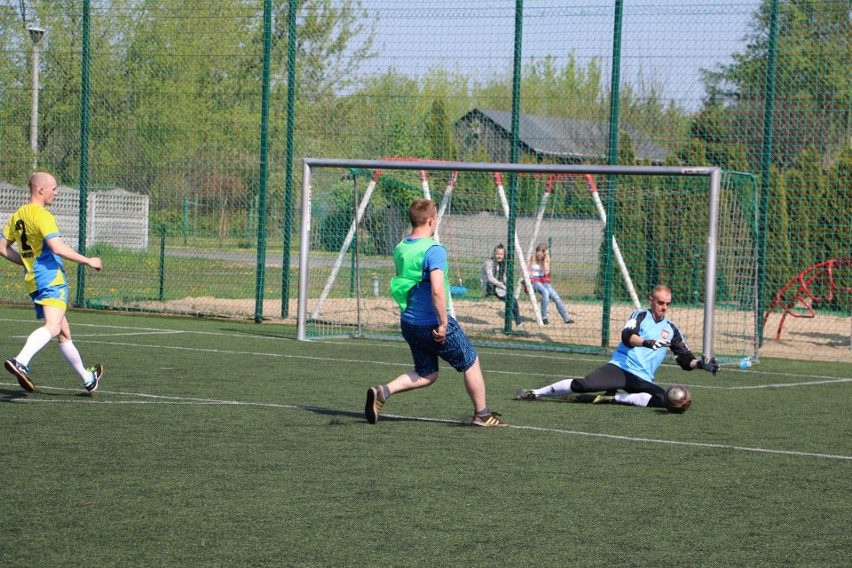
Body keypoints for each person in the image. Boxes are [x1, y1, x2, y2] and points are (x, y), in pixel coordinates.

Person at [365, 199, 507, 427]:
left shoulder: (400, 247)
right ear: (431, 220)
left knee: (427, 373)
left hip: (409, 322)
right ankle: (482, 415)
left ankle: (383, 392)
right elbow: (437, 291)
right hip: (432, 323)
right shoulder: (434, 250)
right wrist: (443, 324)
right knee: (471, 361)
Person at [515, 285, 718, 410]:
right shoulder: (639, 316)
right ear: (651, 300)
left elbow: (684, 358)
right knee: (583, 386)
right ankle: (536, 393)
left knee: (665, 400)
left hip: (643, 378)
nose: (664, 307)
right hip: (621, 368)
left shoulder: (671, 329)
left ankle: (615, 398)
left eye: (667, 304)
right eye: (660, 302)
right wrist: (647, 342)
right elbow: (628, 337)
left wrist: (701, 364)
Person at [0, 172, 104, 393]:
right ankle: (21, 361)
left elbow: (2, 247)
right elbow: (57, 247)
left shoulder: (17, 216)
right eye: (54, 188)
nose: (56, 193)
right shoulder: (42, 215)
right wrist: (88, 260)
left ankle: (88, 378)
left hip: (34, 281)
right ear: (41, 190)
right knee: (53, 326)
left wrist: (26, 262)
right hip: (51, 279)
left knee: (63, 331)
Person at [527, 244, 574, 324]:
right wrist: (528, 270)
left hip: (544, 281)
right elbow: (524, 272)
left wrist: (546, 258)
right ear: (536, 252)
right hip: (535, 281)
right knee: (546, 292)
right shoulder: (531, 259)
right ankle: (544, 317)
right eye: (538, 252)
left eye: (542, 252)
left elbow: (546, 272)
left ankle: (566, 319)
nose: (540, 254)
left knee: (556, 297)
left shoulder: (546, 260)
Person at [480, 243, 522, 325]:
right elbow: (490, 278)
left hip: (497, 286)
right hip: (489, 286)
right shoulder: (489, 263)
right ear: (494, 253)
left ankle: (518, 322)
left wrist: (507, 285)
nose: (499, 256)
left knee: (513, 300)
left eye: (502, 254)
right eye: (498, 253)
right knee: (509, 299)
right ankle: (510, 323)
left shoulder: (502, 263)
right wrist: (502, 286)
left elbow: (503, 276)